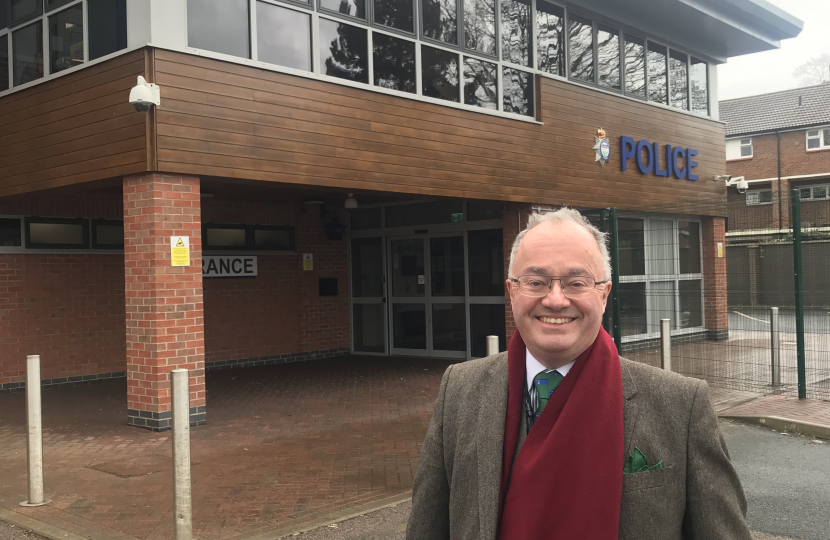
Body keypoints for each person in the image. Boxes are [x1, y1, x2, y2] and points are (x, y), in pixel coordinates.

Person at [406, 208, 752, 540]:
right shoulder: (459, 391)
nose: (555, 300)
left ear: (604, 294)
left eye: (576, 283)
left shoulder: (680, 406)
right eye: (536, 281)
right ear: (512, 292)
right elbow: (427, 529)